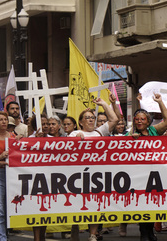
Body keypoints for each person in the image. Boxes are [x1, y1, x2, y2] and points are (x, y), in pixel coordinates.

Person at [68, 98, 118, 241]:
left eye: (92, 118)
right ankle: (75, 226)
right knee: (77, 204)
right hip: (78, 175)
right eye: (87, 118)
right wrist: (75, 140)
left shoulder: (99, 132)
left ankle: (92, 234)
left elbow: (114, 119)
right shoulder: (74, 133)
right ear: (81, 122)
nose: (90, 120)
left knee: (95, 204)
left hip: (96, 175)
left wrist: (103, 104)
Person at [128, 93, 167, 241]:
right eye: (137, 119)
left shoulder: (154, 131)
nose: (139, 121)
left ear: (148, 122)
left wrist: (160, 102)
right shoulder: (131, 134)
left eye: (142, 119)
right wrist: (131, 140)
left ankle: (150, 230)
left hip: (155, 173)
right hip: (139, 175)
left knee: (153, 204)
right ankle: (143, 232)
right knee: (142, 204)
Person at [0, 112, 13, 241]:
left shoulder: (13, 137)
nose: (3, 122)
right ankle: (2, 237)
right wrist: (0, 158)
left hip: (12, 176)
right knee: (0, 210)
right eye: (0, 120)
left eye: (5, 119)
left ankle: (5, 233)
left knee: (10, 208)